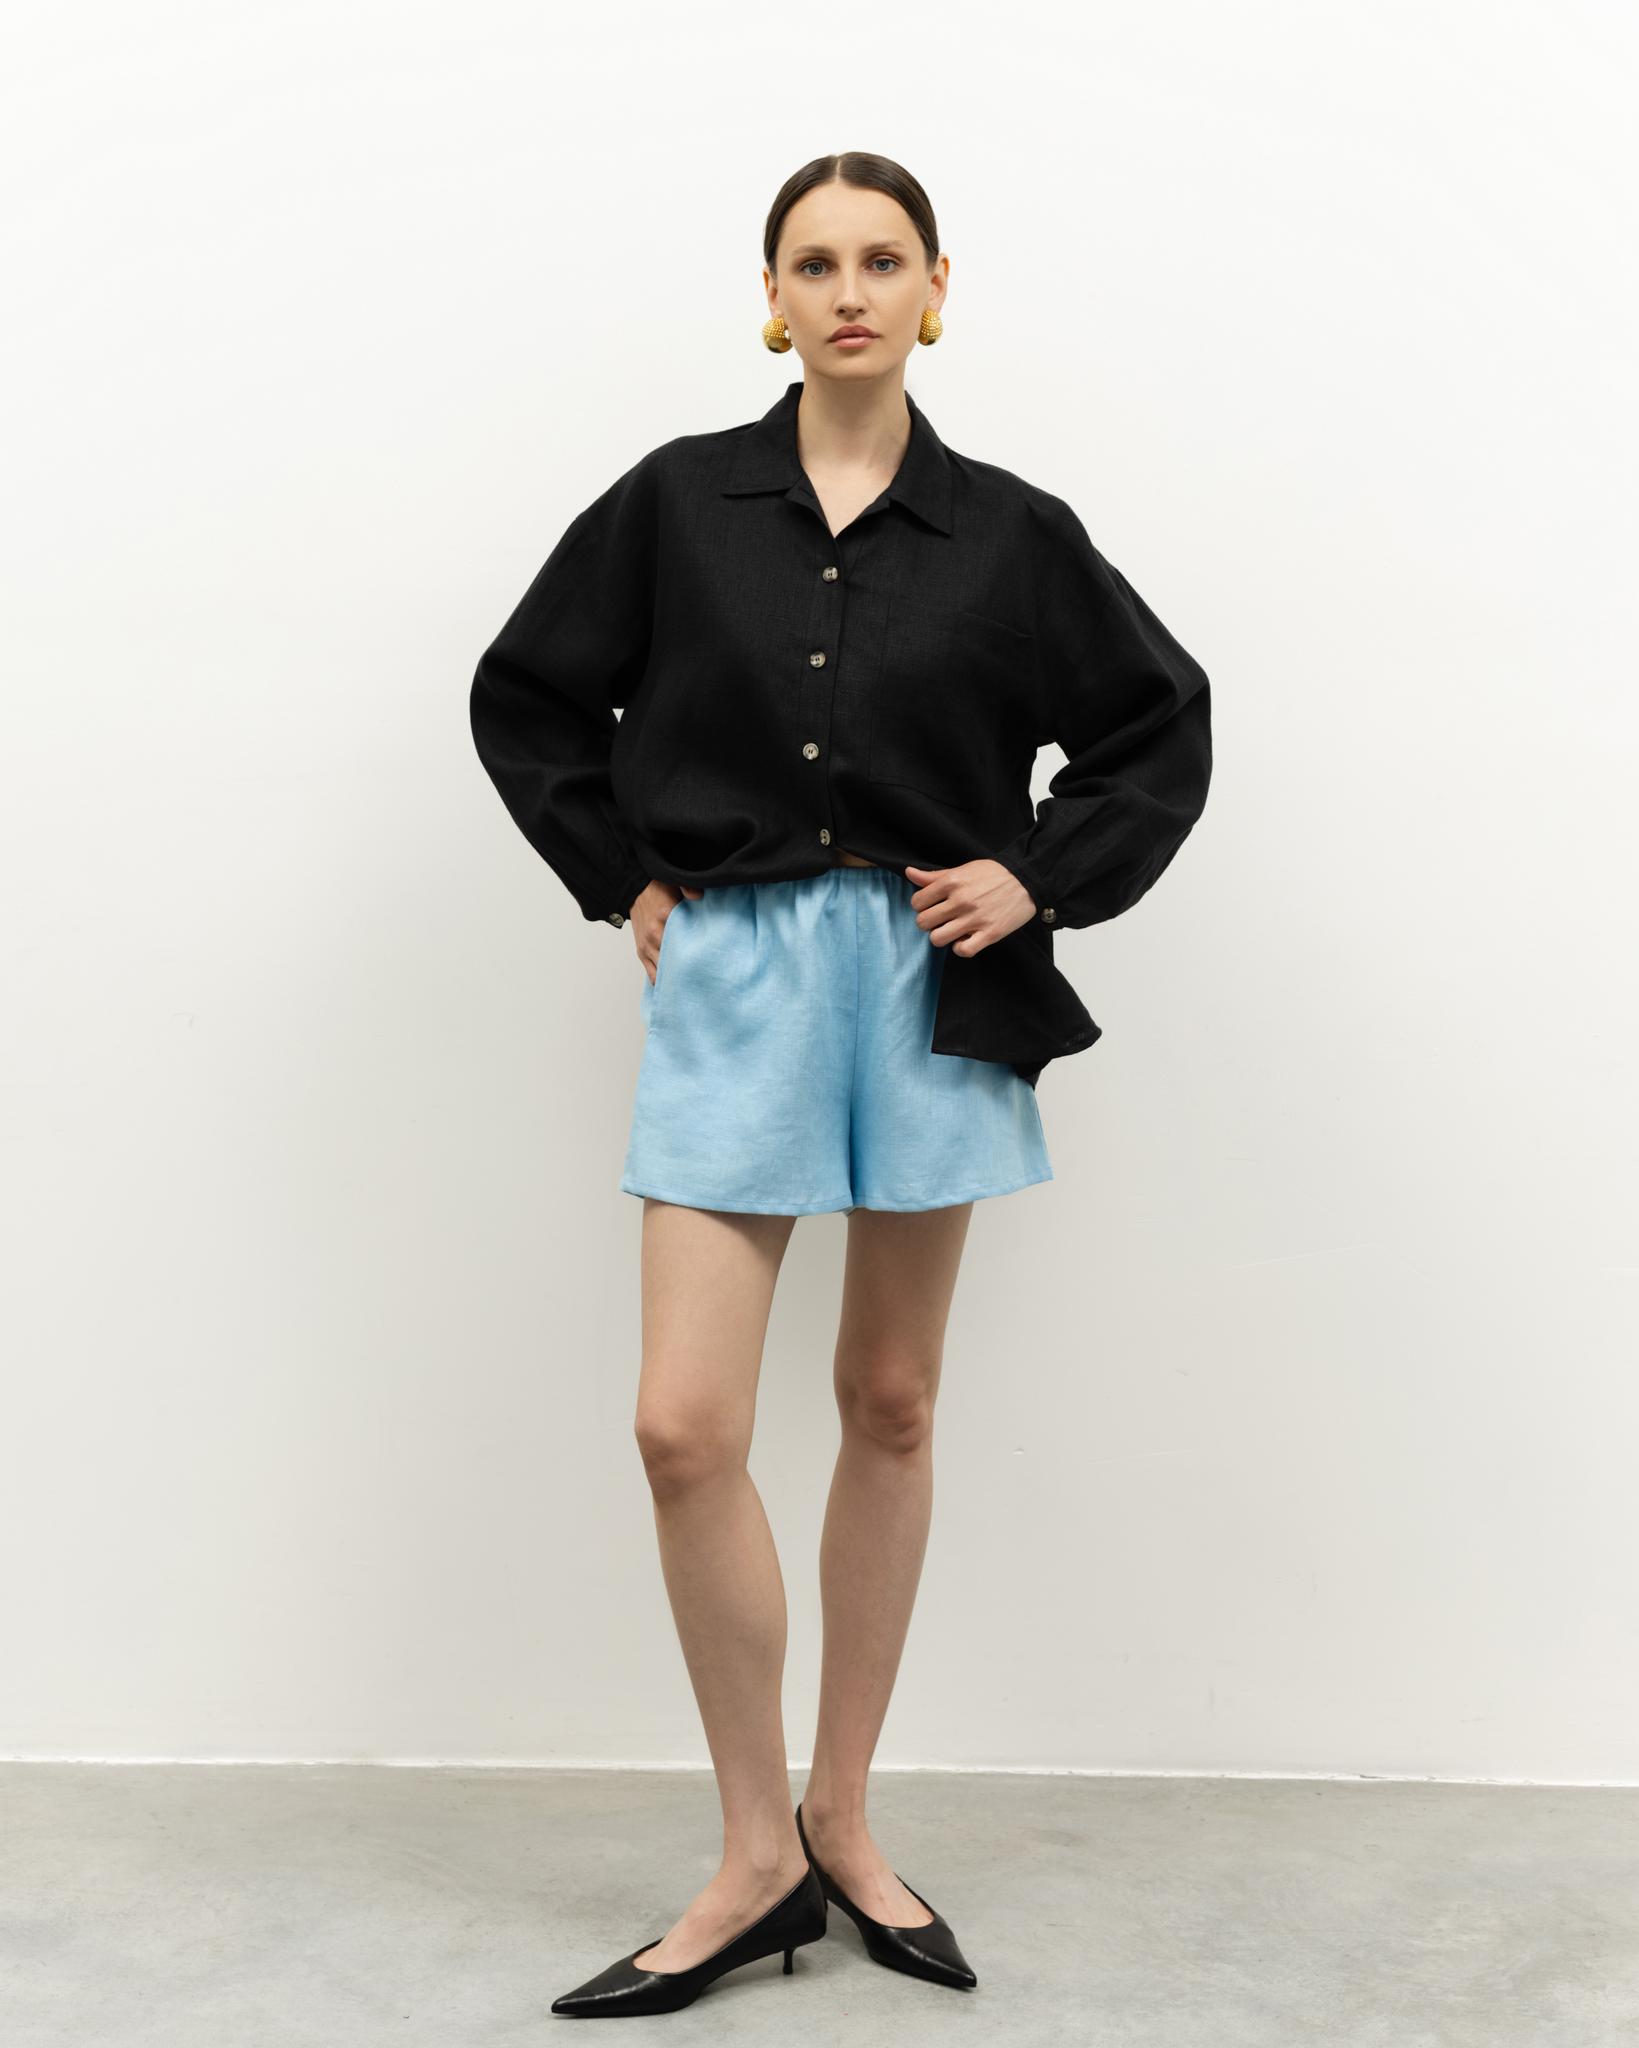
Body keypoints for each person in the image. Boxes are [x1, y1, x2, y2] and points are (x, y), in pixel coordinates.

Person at [468, 151, 1212, 2019]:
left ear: (939, 288)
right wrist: (622, 874)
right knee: (682, 1424)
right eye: (816, 262)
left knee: (889, 1397)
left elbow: (1158, 723)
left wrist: (1038, 873)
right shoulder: (677, 503)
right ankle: (755, 1859)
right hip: (736, 968)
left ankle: (845, 1817)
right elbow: (527, 696)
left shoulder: (1012, 534)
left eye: (885, 259)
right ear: (773, 298)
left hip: (928, 972)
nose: (852, 289)